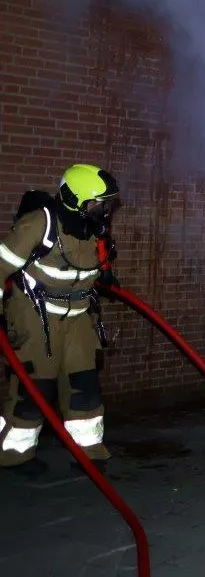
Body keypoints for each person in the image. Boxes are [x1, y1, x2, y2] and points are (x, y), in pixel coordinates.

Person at [0, 164, 121, 477]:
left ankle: (90, 454)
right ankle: (15, 456)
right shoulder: (39, 224)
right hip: (36, 315)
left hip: (79, 317)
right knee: (34, 389)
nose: (105, 210)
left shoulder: (93, 230)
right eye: (100, 203)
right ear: (77, 200)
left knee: (84, 384)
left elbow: (91, 269)